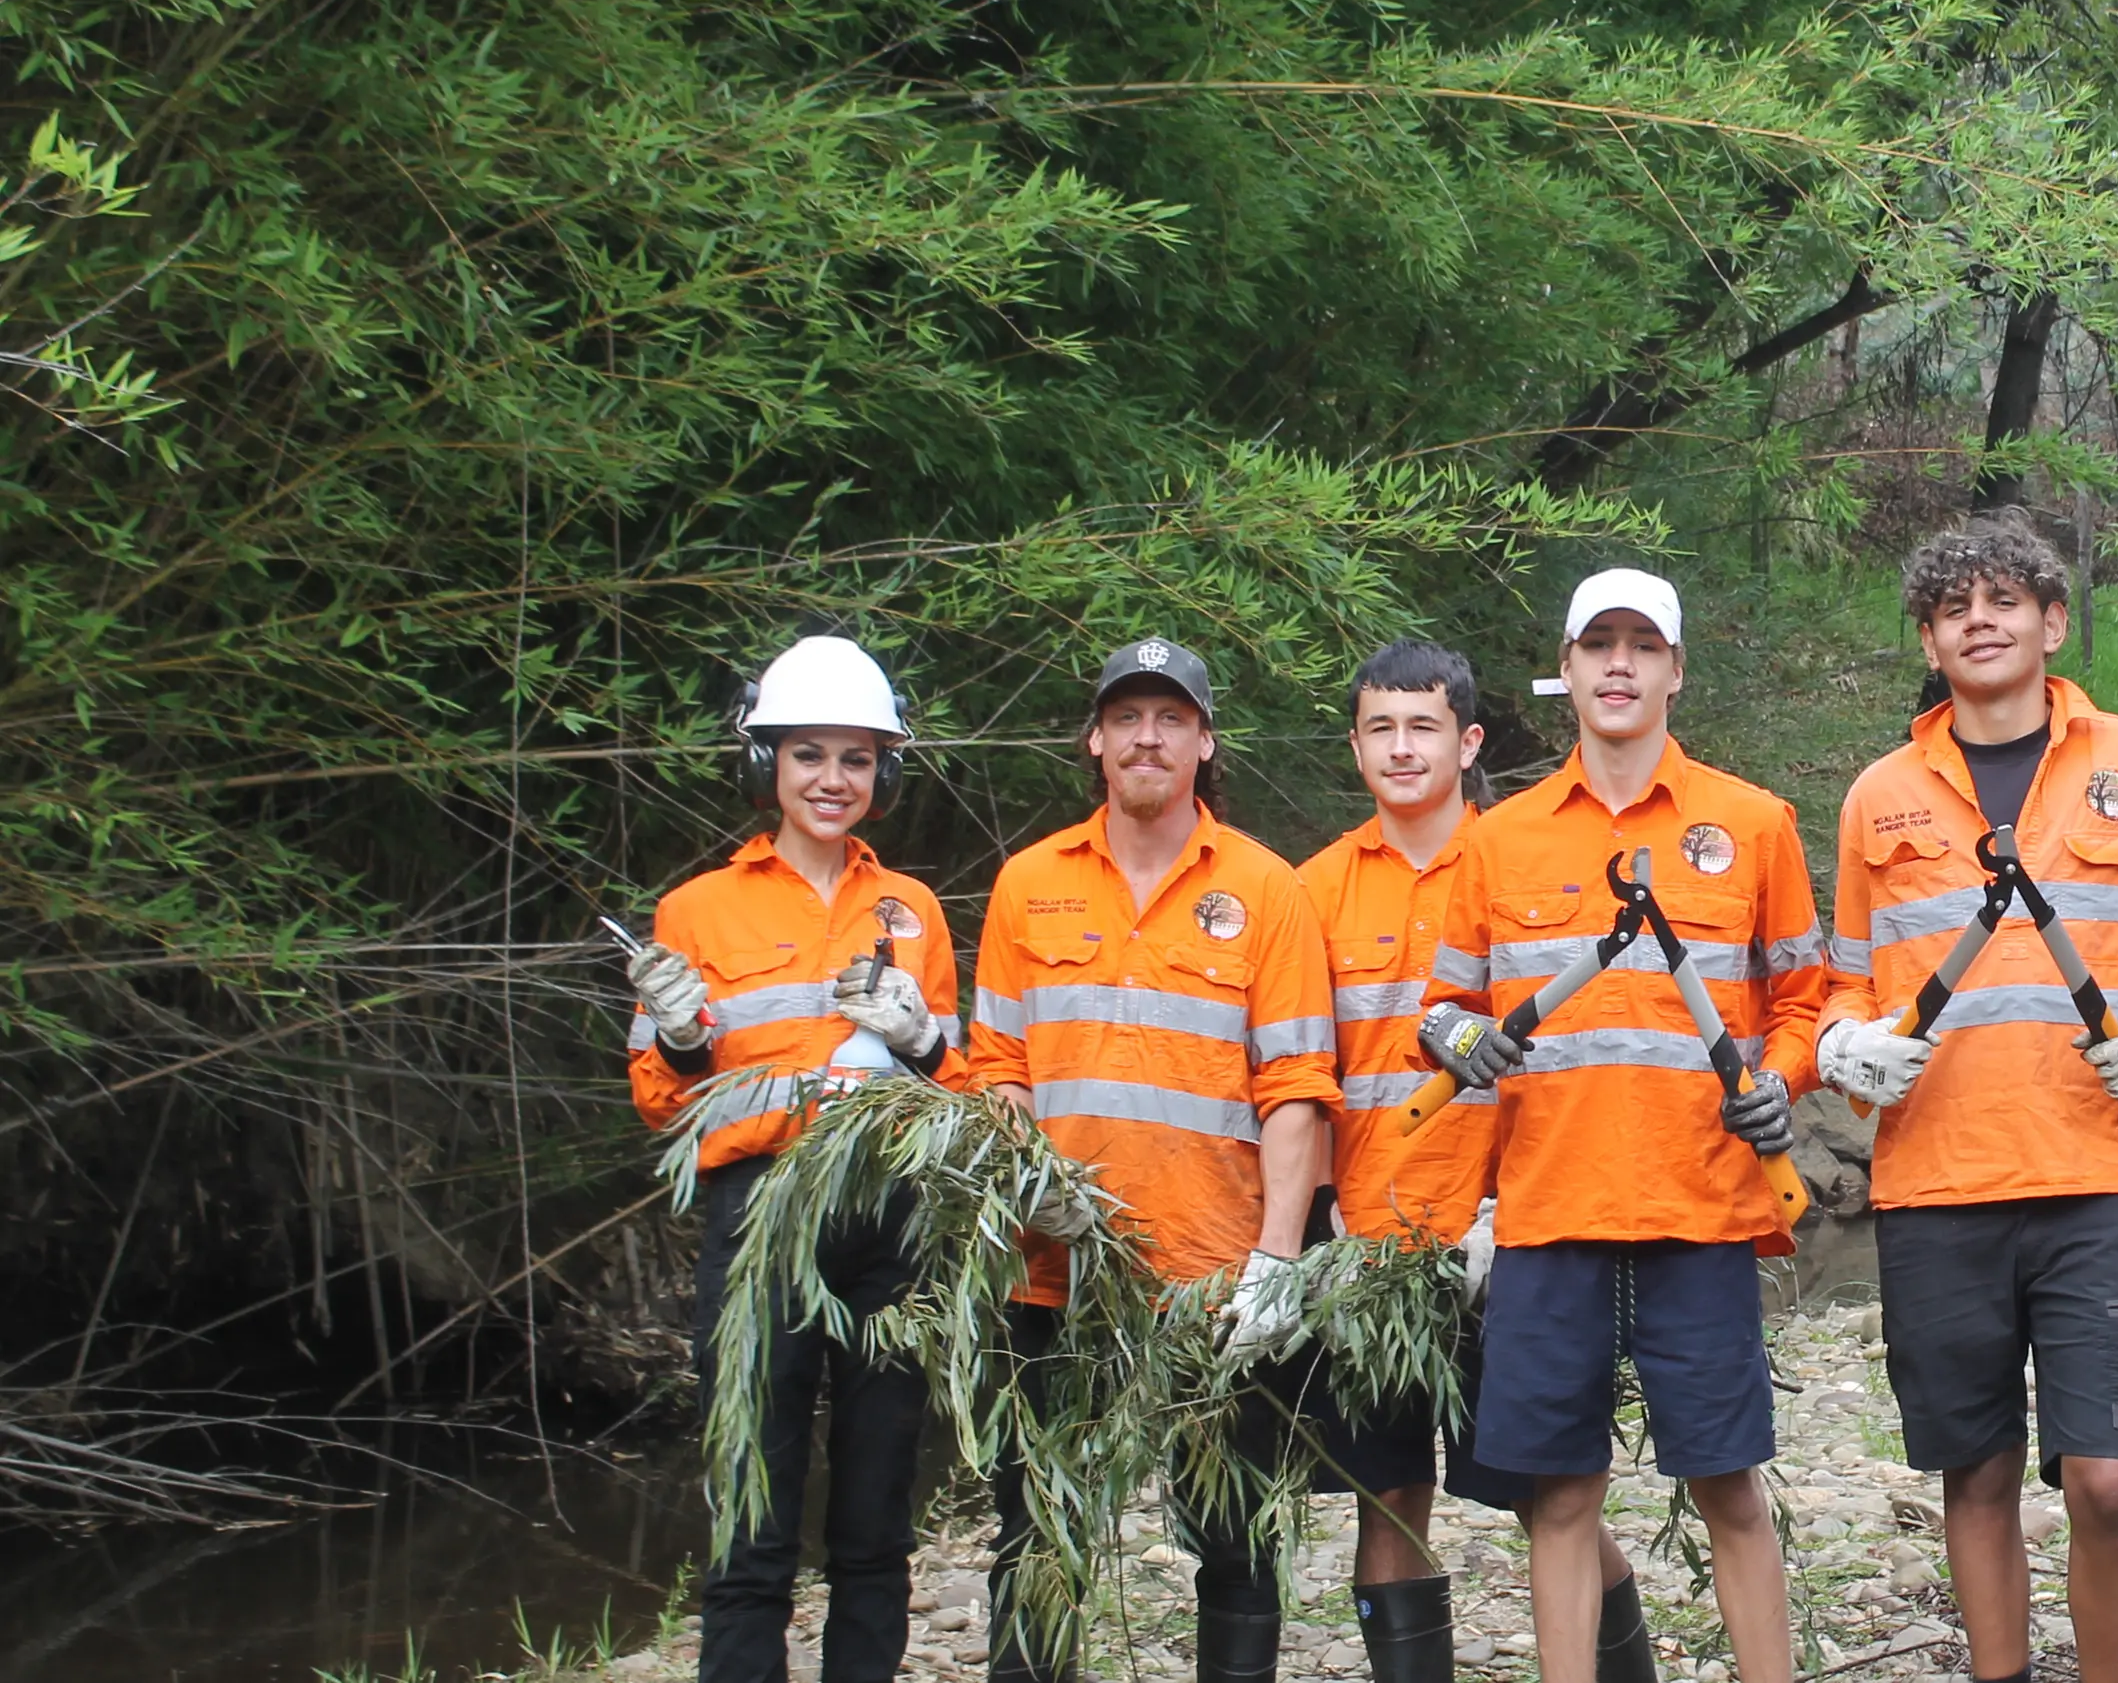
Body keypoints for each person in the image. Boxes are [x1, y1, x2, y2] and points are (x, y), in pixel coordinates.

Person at [1816, 516, 2118, 1683]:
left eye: (2005, 599)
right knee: (1972, 1468)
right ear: (1928, 640)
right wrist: (1840, 1042)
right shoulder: (1880, 800)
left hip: (2102, 1174)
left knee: (2106, 1475)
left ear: (2051, 622)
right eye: (1955, 607)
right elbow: (1835, 979)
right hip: (1936, 1179)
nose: (1982, 619)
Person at [1419, 570, 1824, 1683]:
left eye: (1643, 645)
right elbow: (1443, 1012)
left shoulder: (1751, 823)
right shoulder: (1497, 841)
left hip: (1704, 1204)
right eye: (1598, 643)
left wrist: (1778, 1079)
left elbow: (1803, 999)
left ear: (1675, 671)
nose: (1619, 663)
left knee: (1728, 1479)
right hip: (1552, 1208)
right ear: (1568, 666)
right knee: (1559, 1492)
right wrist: (1463, 1047)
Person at [963, 638, 1338, 1683]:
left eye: (1171, 717)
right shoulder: (1026, 884)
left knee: (1232, 1539)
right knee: (1038, 1532)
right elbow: (996, 1064)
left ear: (1204, 740)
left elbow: (1298, 1087)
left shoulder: (1267, 890)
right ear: (1094, 739)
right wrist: (1021, 1171)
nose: (1147, 735)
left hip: (1210, 1284)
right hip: (1051, 1275)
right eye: (1127, 715)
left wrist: (1274, 1259)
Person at [1289, 639, 1650, 1683]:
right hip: (1372, 1249)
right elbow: (1303, 1079)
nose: (1403, 748)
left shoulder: (1529, 861)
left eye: (1425, 726)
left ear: (1468, 738)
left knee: (1549, 1489)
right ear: (1355, 745)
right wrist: (1318, 1233)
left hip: (1514, 1239)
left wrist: (1521, 1207)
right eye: (1382, 728)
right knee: (1385, 1490)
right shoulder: (1310, 893)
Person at [622, 633, 959, 1683]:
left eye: (856, 757)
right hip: (758, 1216)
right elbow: (662, 1101)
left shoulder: (915, 910)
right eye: (808, 753)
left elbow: (958, 1096)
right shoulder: (697, 910)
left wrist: (919, 1040)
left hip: (888, 1223)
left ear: (884, 772)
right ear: (764, 761)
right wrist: (680, 1034)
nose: (832, 778)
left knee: (874, 1516)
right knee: (752, 1519)